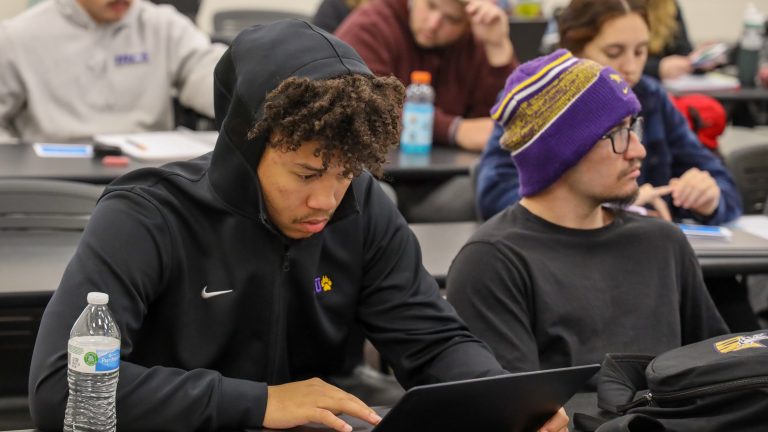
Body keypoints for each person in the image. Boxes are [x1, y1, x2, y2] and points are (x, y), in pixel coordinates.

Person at [28, 21, 568, 432]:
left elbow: (432, 342)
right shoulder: (145, 217)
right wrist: (261, 402)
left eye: (347, 172)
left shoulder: (363, 207)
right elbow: (62, 388)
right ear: (245, 148)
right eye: (307, 172)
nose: (328, 199)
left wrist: (508, 401)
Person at [475, 0, 756, 332]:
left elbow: (720, 181)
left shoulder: (652, 97)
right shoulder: (536, 109)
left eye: (641, 52)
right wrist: (606, 209)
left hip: (655, 265)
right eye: (614, 52)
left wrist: (711, 197)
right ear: (572, 52)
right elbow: (496, 193)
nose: (631, 67)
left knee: (738, 336)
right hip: (570, 267)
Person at [446, 49, 729, 378]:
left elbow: (720, 376)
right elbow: (517, 414)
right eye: (618, 134)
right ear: (562, 152)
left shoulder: (663, 242)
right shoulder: (493, 263)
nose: (638, 150)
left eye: (633, 128)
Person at [0, 0, 226, 144]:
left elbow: (213, 77)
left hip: (146, 177)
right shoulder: (17, 36)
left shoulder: (164, 25)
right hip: (53, 177)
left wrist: (251, 90)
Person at [335, 0, 516, 151]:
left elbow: (505, 120)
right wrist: (454, 130)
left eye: (451, 19)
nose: (433, 23)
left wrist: (498, 49)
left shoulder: (475, 38)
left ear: (468, 22)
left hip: (445, 171)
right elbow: (361, 103)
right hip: (370, 174)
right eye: (430, 5)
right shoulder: (370, 25)